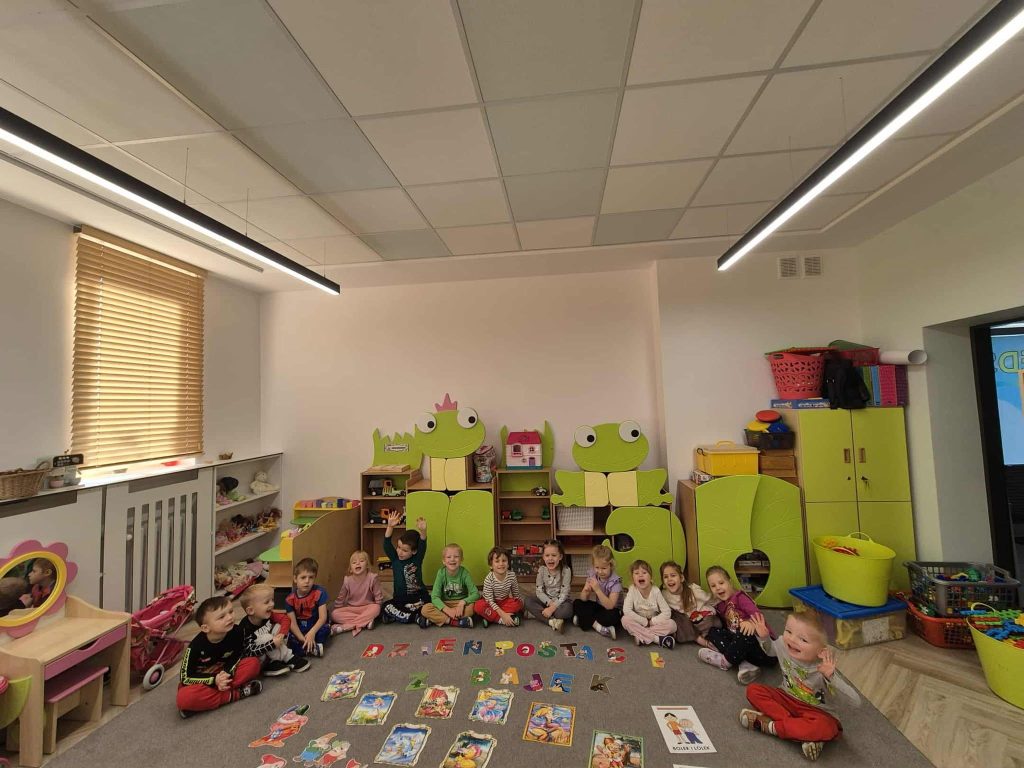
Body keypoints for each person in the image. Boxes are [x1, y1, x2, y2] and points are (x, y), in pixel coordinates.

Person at [741, 611, 860, 762]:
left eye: (803, 639)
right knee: (753, 690)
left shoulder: (824, 669)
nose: (792, 639)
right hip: (786, 697)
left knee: (827, 727)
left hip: (817, 711)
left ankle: (772, 727)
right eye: (788, 631)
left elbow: (855, 702)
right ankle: (800, 732)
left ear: (821, 651)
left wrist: (831, 678)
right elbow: (771, 650)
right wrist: (764, 637)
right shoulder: (783, 644)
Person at [176, 596, 262, 717]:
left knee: (253, 663)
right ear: (206, 628)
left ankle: (205, 702)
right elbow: (185, 677)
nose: (230, 617)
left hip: (225, 673)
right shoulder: (195, 647)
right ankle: (236, 694)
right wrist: (214, 680)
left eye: (230, 611)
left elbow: (238, 654)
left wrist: (227, 673)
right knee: (183, 698)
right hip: (205, 680)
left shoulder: (237, 631)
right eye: (222, 617)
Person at [696, 565, 776, 683]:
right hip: (743, 648)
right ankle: (744, 663)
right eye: (713, 586)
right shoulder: (721, 605)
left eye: (721, 583)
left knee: (743, 633)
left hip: (764, 649)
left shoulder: (740, 598)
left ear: (730, 582)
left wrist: (750, 623)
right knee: (713, 631)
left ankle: (725, 661)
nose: (718, 588)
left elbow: (759, 616)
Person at [239, 583, 307, 675]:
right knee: (266, 637)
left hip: (272, 648)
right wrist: (271, 644)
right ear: (251, 610)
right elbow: (249, 651)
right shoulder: (244, 628)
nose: (272, 604)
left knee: (278, 626)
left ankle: (277, 660)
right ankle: (288, 658)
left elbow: (285, 619)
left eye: (272, 600)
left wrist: (282, 633)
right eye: (266, 602)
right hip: (260, 657)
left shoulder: (267, 614)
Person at [380, 511, 429, 624]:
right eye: (398, 547)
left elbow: (422, 543)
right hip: (400, 599)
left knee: (428, 603)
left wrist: (423, 531)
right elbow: (386, 544)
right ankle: (414, 617)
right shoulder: (395, 558)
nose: (400, 552)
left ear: (414, 551)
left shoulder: (417, 559)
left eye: (405, 550)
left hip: (418, 598)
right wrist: (390, 527)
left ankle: (403, 615)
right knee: (385, 606)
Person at [621, 559, 676, 648]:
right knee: (625, 620)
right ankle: (657, 639)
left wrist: (652, 622)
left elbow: (667, 612)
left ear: (650, 577)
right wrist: (644, 622)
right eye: (636, 573)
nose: (640, 575)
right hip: (639, 622)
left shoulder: (656, 591)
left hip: (653, 623)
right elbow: (627, 610)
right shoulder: (632, 590)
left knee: (672, 625)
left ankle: (640, 635)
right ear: (633, 579)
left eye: (644, 572)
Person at [420, 543, 478, 628]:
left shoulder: (464, 573)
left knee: (474, 607)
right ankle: (455, 622)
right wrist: (447, 610)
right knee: (425, 609)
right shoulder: (441, 573)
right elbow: (435, 597)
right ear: (443, 561)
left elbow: (476, 594)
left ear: (461, 559)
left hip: (460, 604)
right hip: (445, 603)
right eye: (448, 557)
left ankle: (439, 619)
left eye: (456, 556)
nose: (452, 559)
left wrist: (462, 603)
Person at [660, 560, 718, 644]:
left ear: (681, 578)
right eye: (666, 577)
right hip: (685, 622)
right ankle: (697, 637)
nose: (669, 579)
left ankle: (699, 636)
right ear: (663, 583)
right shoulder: (663, 594)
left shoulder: (693, 591)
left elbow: (711, 599)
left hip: (701, 620)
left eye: (673, 575)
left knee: (713, 622)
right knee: (674, 617)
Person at [572, 544, 622, 639]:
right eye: (597, 567)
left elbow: (610, 606)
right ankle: (599, 627)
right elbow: (583, 599)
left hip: (612, 610)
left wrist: (597, 590)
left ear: (611, 565)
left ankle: (584, 619)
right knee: (577, 603)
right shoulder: (592, 574)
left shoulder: (616, 582)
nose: (600, 571)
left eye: (604, 568)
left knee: (613, 617)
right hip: (599, 607)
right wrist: (586, 592)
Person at [523, 539, 572, 633]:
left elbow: (564, 594)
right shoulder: (542, 570)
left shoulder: (566, 570)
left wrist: (552, 608)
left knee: (566, 611)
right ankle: (552, 621)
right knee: (528, 601)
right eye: (547, 555)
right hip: (546, 600)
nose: (550, 558)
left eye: (554, 555)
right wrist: (550, 604)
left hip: (562, 603)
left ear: (560, 557)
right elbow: (539, 591)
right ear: (543, 557)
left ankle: (540, 614)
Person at [330, 550, 383, 637]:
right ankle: (365, 622)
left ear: (367, 565)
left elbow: (378, 598)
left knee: (376, 608)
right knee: (334, 614)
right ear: (351, 569)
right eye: (354, 562)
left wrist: (378, 612)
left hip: (367, 607)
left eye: (361, 561)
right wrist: (337, 611)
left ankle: (345, 627)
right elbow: (340, 598)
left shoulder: (372, 578)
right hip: (352, 609)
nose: (358, 563)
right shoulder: (347, 580)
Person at [286, 558, 329, 659]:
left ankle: (306, 648)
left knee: (325, 629)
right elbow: (292, 623)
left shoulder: (320, 592)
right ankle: (312, 647)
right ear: (295, 579)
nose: (307, 581)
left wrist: (312, 633)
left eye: (311, 577)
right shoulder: (289, 599)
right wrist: (303, 638)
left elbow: (322, 618)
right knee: (289, 635)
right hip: (300, 627)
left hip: (315, 624)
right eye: (303, 577)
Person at [473, 546, 523, 627]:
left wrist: (519, 606)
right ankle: (501, 620)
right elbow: (490, 601)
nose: (501, 564)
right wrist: (503, 615)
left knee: (519, 603)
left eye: (504, 561)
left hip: (504, 601)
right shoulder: (489, 579)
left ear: (508, 564)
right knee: (478, 606)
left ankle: (489, 618)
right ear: (491, 565)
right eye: (497, 561)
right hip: (490, 603)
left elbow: (516, 594)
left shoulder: (512, 575)